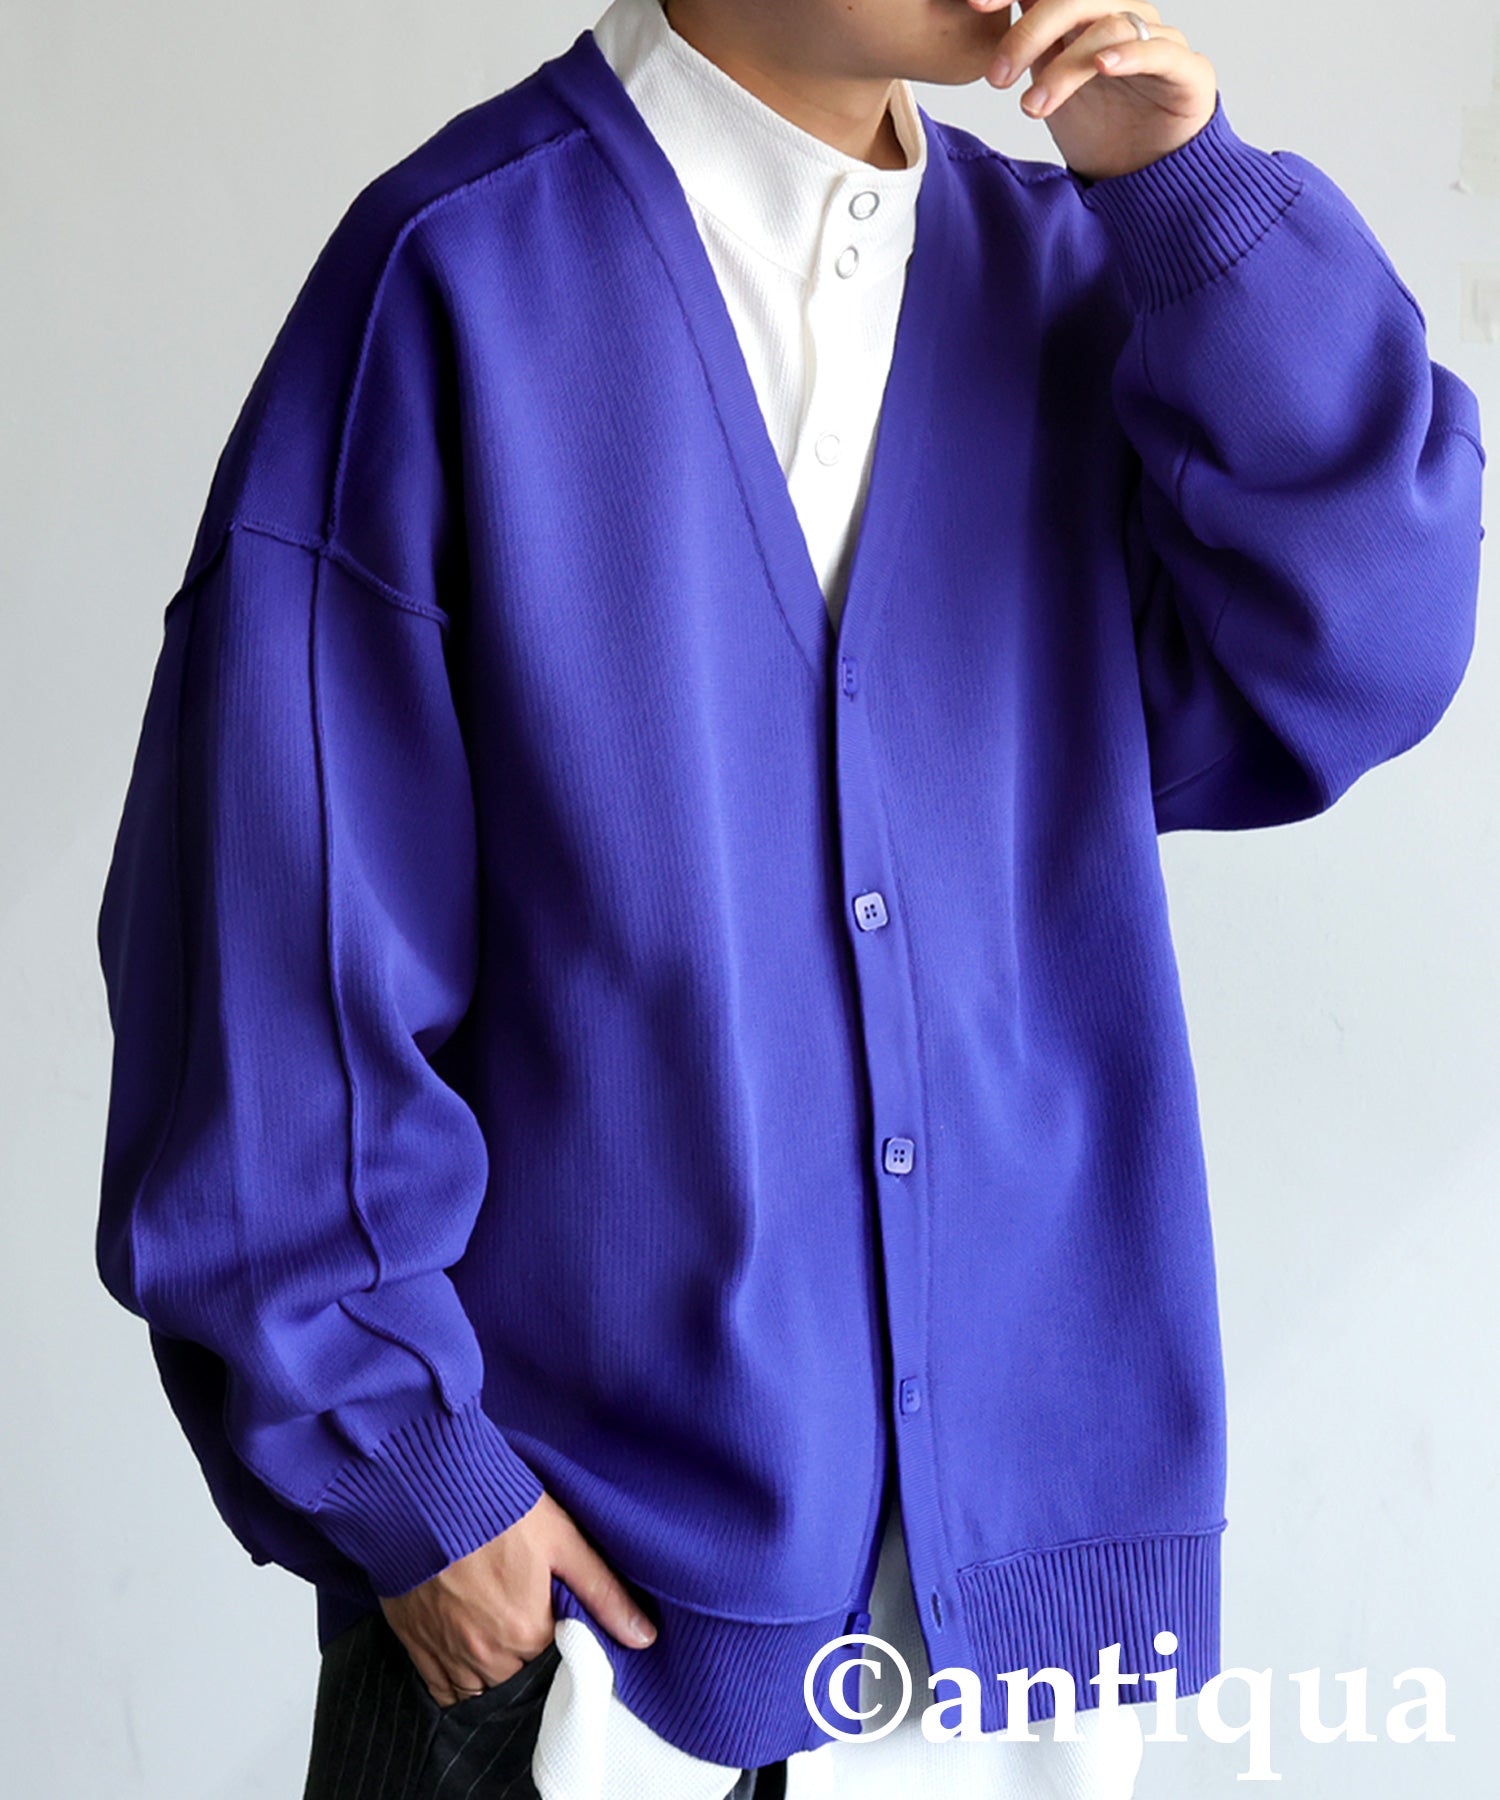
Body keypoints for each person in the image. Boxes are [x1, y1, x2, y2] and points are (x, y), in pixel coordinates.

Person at [92, 0, 1486, 1796]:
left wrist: (1188, 200)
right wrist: (414, 1480)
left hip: (1019, 1655)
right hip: (579, 1641)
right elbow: (274, 943)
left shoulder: (1082, 276)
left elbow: (1364, 644)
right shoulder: (457, 277)